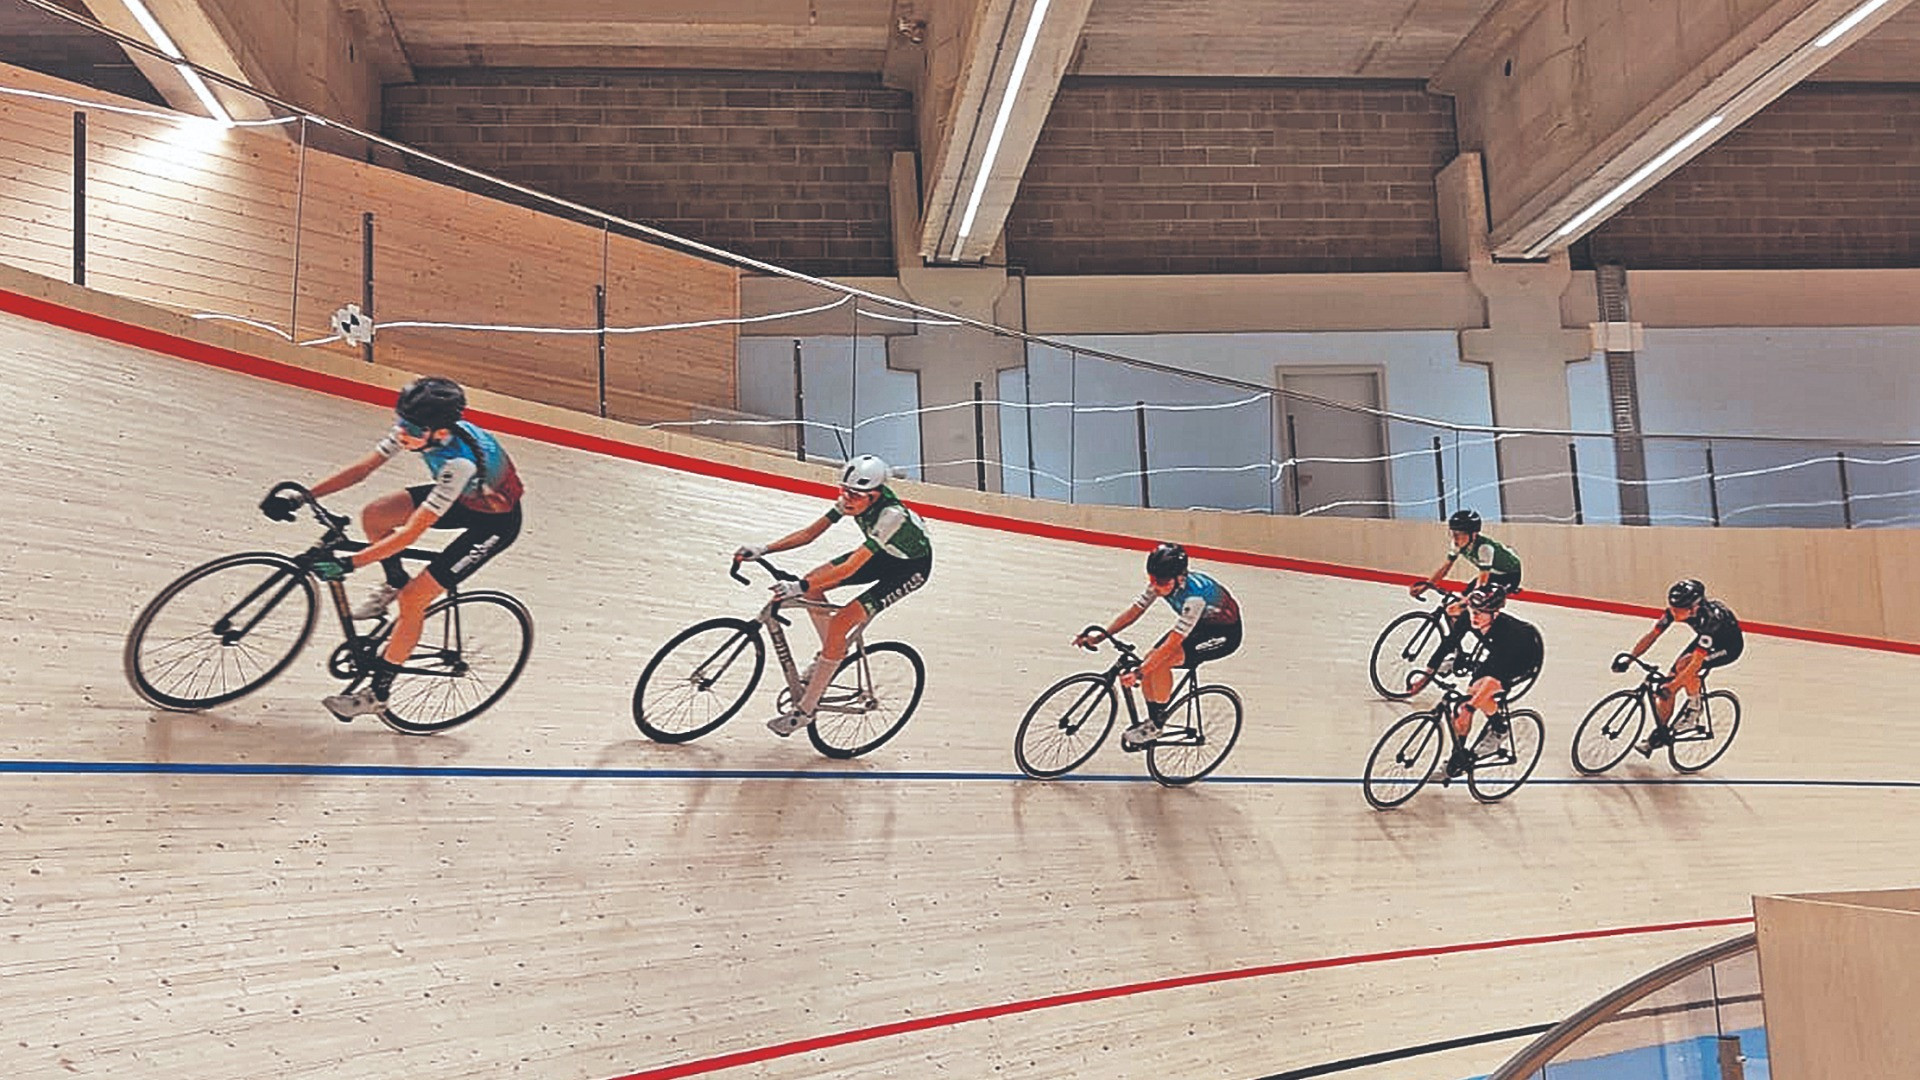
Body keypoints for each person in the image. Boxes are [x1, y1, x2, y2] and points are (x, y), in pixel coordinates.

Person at [259, 376, 525, 723]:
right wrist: (303, 497)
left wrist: (350, 565)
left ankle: (378, 693)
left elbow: (411, 533)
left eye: (411, 426)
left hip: (494, 524)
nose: (402, 431)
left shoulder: (459, 462)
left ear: (439, 432)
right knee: (374, 514)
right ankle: (393, 581)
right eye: (401, 420)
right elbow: (362, 470)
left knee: (414, 600)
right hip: (465, 499)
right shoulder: (419, 432)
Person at [734, 454, 932, 736]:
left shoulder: (892, 516)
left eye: (854, 494)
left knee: (841, 620)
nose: (846, 498)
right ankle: (832, 652)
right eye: (843, 491)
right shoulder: (853, 500)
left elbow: (851, 566)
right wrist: (765, 549)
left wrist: (798, 587)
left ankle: (804, 711)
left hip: (909, 569)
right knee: (815, 585)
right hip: (883, 555)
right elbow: (809, 534)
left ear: (874, 496)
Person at [1074, 542, 1243, 751]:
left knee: (1159, 663)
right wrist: (1100, 637)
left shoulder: (1195, 597)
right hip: (1198, 624)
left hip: (1223, 634)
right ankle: (1154, 718)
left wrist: (1139, 673)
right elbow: (1134, 612)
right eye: (1151, 579)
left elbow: (1173, 643)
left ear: (1179, 578)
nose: (1155, 586)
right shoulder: (1163, 581)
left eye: (1160, 581)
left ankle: (1157, 724)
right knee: (1150, 658)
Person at [1612, 578, 1744, 750]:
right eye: (1671, 608)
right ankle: (1661, 733)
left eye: (1678, 610)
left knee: (1684, 669)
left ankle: (1694, 709)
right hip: (1706, 641)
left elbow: (1695, 663)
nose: (1673, 613)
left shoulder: (1711, 620)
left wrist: (1672, 688)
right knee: (1671, 678)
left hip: (1728, 647)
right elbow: (1652, 636)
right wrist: (1630, 659)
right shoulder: (1676, 612)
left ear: (1693, 608)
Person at [1407, 508, 1523, 688]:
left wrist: (1465, 603)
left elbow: (1481, 586)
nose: (1455, 538)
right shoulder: (1457, 544)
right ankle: (1458, 653)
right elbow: (1445, 568)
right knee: (1454, 610)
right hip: (1490, 574)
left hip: (1508, 576)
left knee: (1473, 608)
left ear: (1473, 534)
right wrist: (1426, 585)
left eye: (1460, 535)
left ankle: (1487, 641)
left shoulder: (1485, 548)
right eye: (1453, 534)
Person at [1443, 586, 1543, 778]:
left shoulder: (1510, 636)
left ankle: (1499, 729)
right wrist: (1427, 674)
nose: (1475, 616)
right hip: (1497, 654)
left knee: (1476, 698)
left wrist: (1470, 709)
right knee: (1471, 694)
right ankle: (1457, 759)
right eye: (1473, 611)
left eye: (1481, 613)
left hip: (1522, 658)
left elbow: (1492, 680)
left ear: (1495, 614)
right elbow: (1449, 642)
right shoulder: (1470, 618)